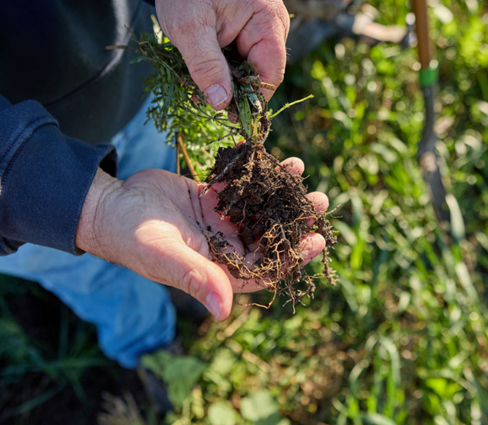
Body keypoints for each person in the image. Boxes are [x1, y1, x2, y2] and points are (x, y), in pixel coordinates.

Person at [0, 0, 328, 369]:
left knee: (170, 206)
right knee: (94, 274)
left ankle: (179, 285)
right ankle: (150, 350)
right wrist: (89, 210)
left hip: (132, 90)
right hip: (32, 197)